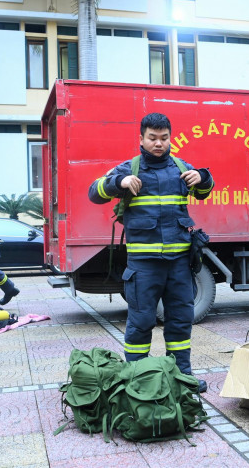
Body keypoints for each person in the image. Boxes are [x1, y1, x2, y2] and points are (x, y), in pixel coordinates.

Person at [88, 112, 214, 393]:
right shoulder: (129, 169)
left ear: (170, 138)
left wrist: (202, 177)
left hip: (179, 265)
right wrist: (117, 183)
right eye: (153, 138)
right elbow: (93, 193)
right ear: (142, 139)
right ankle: (137, 378)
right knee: (141, 322)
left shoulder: (181, 168)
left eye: (164, 138)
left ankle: (181, 377)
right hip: (144, 267)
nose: (159, 143)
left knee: (181, 323)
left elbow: (206, 190)